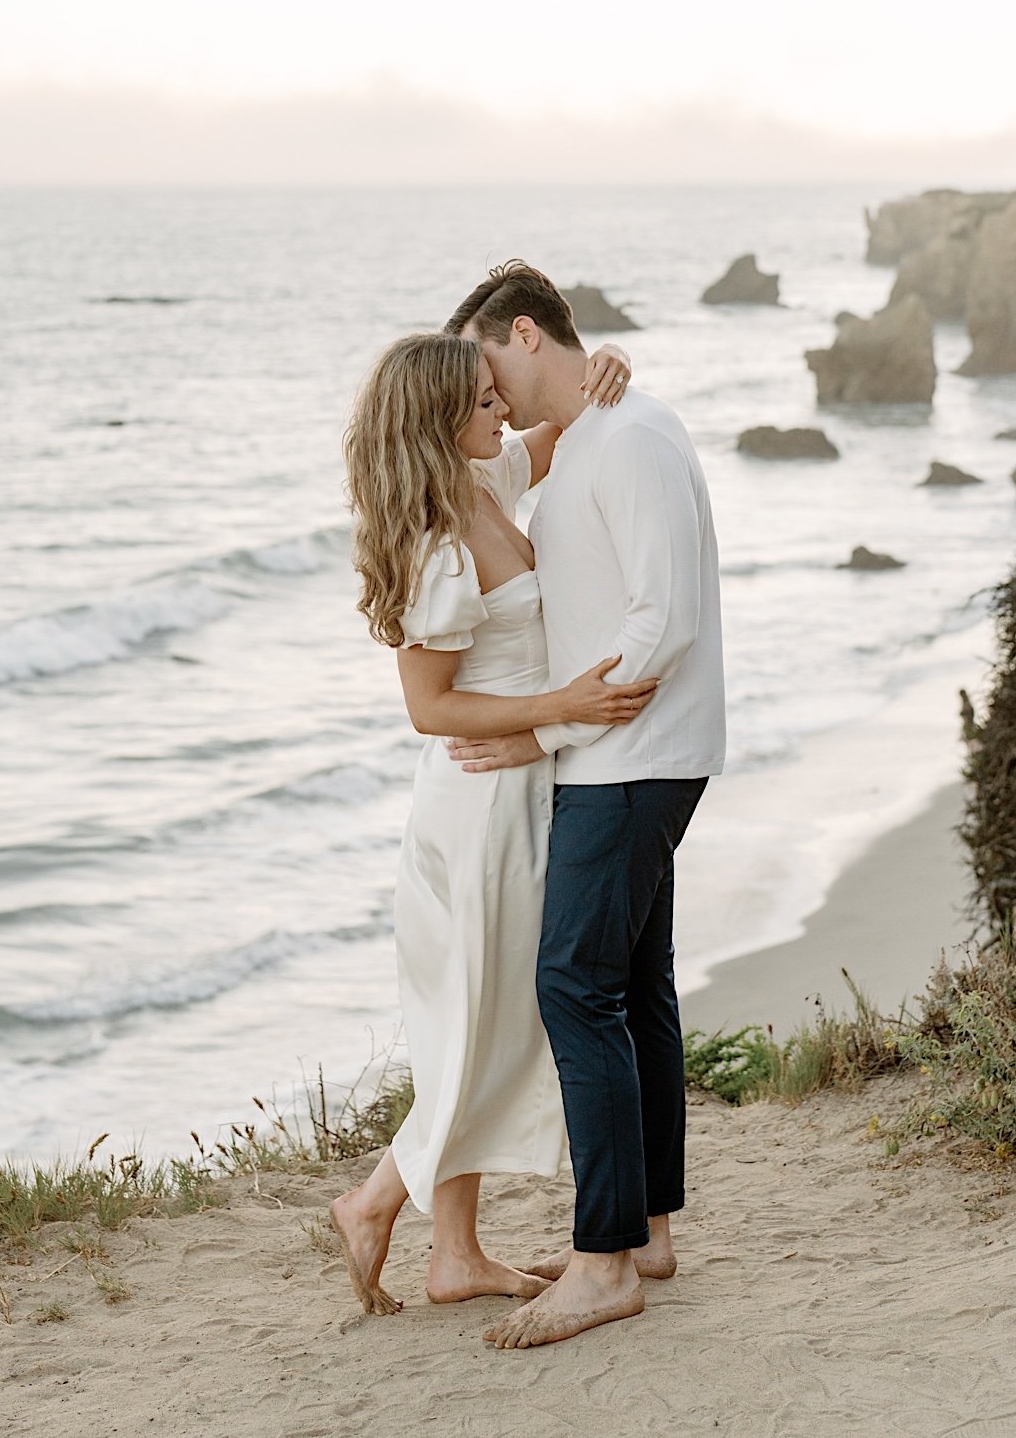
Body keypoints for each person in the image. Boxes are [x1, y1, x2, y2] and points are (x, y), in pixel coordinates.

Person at [331, 329, 654, 1314]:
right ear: (438, 421)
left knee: (477, 1024)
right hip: (477, 811)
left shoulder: (487, 481)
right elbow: (430, 710)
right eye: (481, 401)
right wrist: (558, 713)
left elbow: (558, 427)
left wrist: (604, 371)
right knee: (487, 1024)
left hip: (520, 791)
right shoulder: (435, 543)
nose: (501, 411)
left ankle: (455, 1256)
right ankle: (377, 1200)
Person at [443, 262, 726, 1351]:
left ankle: (606, 1264)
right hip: (620, 753)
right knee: (634, 982)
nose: (489, 391)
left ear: (526, 334)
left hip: (632, 757)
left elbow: (667, 619)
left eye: (488, 367)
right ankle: (645, 1231)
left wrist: (544, 728)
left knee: (574, 984)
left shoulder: (637, 434)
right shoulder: (592, 437)